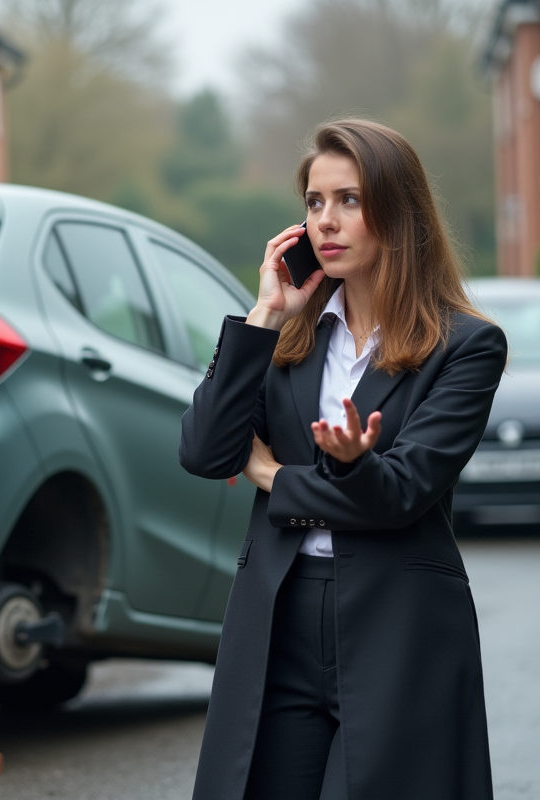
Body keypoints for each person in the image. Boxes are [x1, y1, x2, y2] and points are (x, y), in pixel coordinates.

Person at [179, 118, 507, 800]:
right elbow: (205, 451)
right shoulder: (287, 338)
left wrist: (272, 476)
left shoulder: (466, 346)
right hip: (279, 616)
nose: (326, 220)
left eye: (349, 200)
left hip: (400, 623)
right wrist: (264, 317)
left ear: (400, 215)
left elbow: (401, 493)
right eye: (314, 202)